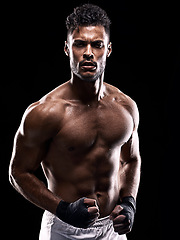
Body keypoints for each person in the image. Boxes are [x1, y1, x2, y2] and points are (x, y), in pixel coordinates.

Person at [9, 4, 141, 240]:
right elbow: (18, 172)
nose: (88, 52)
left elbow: (130, 159)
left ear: (108, 49)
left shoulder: (125, 107)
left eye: (97, 44)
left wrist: (129, 202)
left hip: (111, 229)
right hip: (63, 228)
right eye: (80, 44)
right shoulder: (45, 112)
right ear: (67, 49)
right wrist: (63, 210)